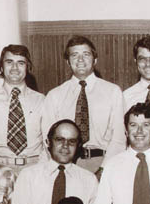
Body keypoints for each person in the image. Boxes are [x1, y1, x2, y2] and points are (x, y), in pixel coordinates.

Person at [41, 35, 126, 174]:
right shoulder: (54, 95)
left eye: (86, 54)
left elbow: (119, 137)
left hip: (102, 161)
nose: (80, 59)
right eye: (74, 55)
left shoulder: (113, 92)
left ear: (95, 60)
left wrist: (104, 169)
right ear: (68, 62)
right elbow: (48, 139)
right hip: (66, 163)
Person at [0, 44, 45, 173]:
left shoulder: (41, 100)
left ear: (28, 67)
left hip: (34, 167)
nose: (15, 68)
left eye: (21, 63)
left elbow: (48, 141)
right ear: (1, 67)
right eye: (9, 62)